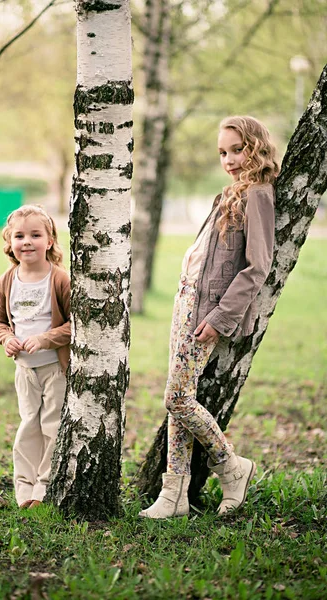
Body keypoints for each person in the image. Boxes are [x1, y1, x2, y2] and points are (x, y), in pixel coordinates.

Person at [139, 116, 279, 519]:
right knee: (179, 400)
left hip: (208, 311)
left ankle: (232, 468)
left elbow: (258, 266)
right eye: (223, 152)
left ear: (256, 147)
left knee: (177, 398)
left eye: (238, 150)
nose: (230, 159)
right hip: (186, 302)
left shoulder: (259, 195)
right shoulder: (231, 193)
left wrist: (221, 317)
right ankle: (175, 494)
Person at [0, 205, 71, 509]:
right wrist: (8, 338)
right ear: (9, 242)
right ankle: (24, 489)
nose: (27, 242)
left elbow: (76, 325)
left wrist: (45, 339)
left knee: (51, 427)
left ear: (49, 240)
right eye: (19, 236)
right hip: (25, 371)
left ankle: (43, 489)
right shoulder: (7, 281)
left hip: (54, 368)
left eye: (35, 235)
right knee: (28, 427)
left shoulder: (59, 279)